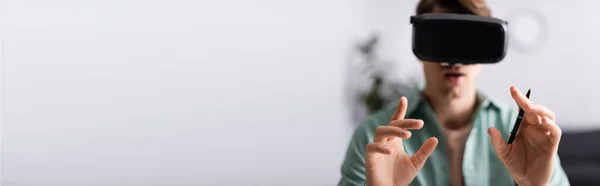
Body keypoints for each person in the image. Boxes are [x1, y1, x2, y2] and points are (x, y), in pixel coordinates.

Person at [338, 0, 571, 185]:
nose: (455, 60)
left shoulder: (520, 130)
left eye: (469, 41)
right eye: (442, 40)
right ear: (421, 45)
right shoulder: (376, 138)